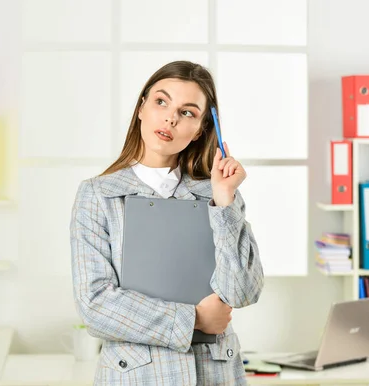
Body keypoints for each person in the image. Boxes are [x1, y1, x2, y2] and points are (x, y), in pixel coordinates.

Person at [70, 60, 264, 385]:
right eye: (161, 101)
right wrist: (194, 319)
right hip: (135, 375)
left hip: (214, 373)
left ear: (201, 128)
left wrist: (224, 200)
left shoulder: (218, 194)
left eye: (187, 112)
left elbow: (243, 292)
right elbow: (95, 304)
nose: (171, 117)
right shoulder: (98, 195)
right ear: (142, 107)